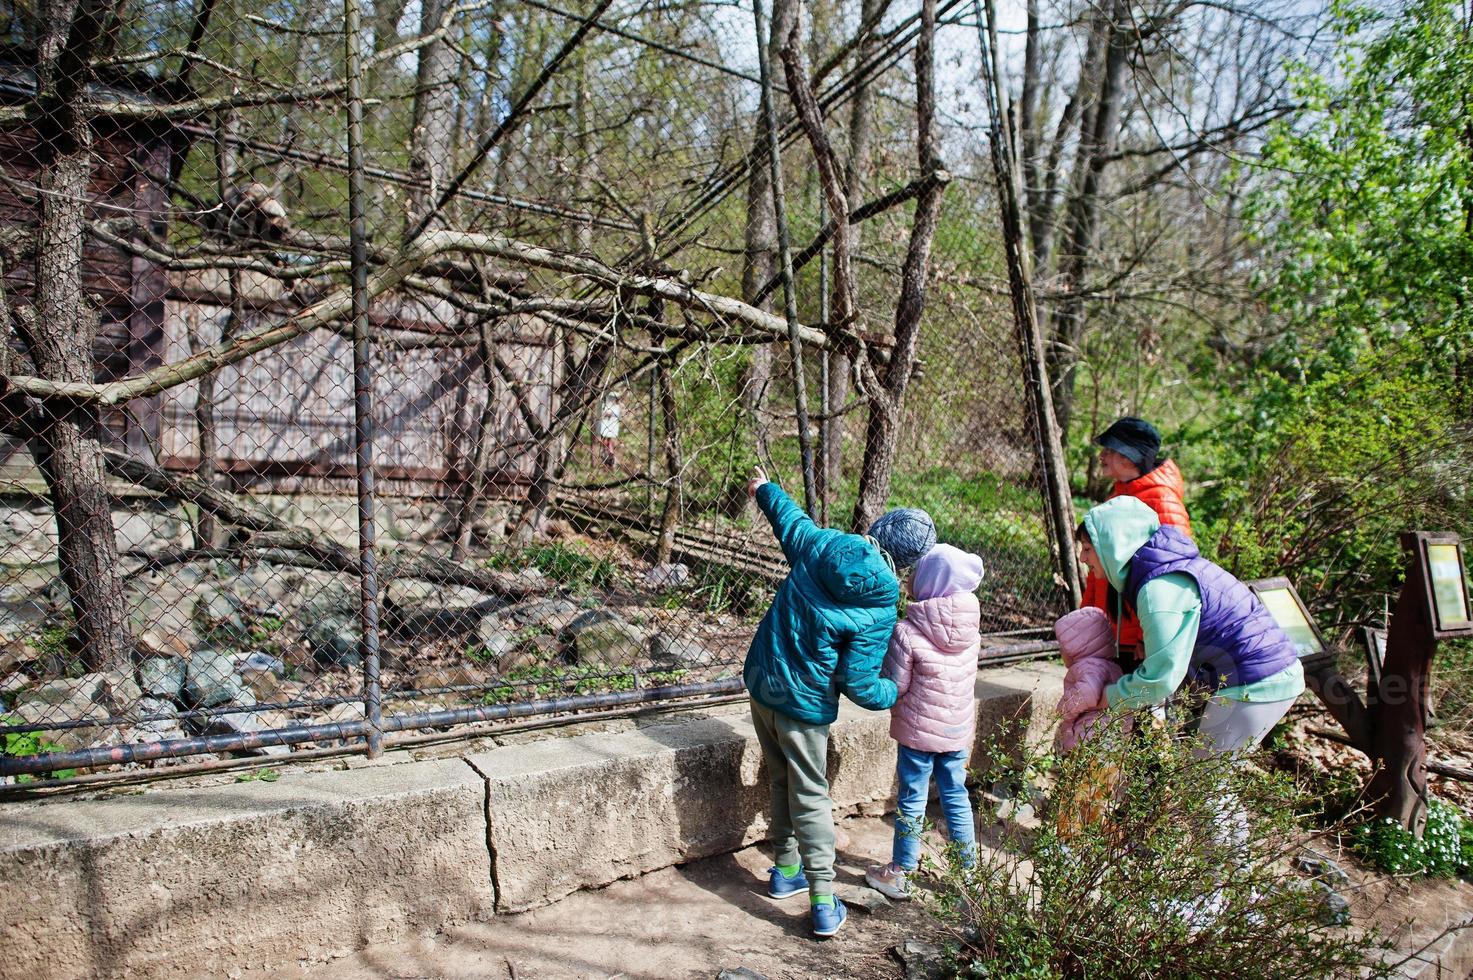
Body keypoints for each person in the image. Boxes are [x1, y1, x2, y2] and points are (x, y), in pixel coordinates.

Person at [743, 469, 935, 938]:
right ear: (909, 564)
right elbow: (860, 684)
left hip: (763, 684)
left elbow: (789, 519)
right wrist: (899, 689)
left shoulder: (822, 544)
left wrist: (765, 488)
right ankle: (824, 900)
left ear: (878, 529)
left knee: (780, 780)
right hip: (804, 706)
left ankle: (786, 870)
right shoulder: (882, 603)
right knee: (810, 795)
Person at [1077, 496, 1304, 757]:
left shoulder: (1157, 589)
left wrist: (1108, 697)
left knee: (1208, 788)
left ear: (1113, 546)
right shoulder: (1162, 569)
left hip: (1257, 680)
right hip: (1262, 673)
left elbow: (1161, 679)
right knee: (1208, 783)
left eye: (1087, 548)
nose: (1083, 558)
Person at [864, 543, 986, 901]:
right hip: (955, 731)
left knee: (913, 797)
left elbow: (897, 684)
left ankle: (901, 871)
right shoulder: (971, 632)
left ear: (928, 582)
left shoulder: (907, 631)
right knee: (956, 796)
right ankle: (969, 873)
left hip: (918, 734)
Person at [1081, 417, 1192, 668]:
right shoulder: (1120, 492)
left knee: (1137, 705)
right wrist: (1088, 614)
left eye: (1109, 450)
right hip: (1115, 631)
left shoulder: (1162, 501)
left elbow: (1171, 574)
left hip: (1139, 640)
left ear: (1128, 459)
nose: (1101, 456)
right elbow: (1099, 565)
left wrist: (1149, 635)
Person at [1052, 606, 1122, 753]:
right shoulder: (1112, 667)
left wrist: (1064, 709)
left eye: (1062, 647)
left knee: (1090, 774)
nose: (1061, 652)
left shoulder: (1088, 667)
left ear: (1075, 648)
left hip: (1091, 736)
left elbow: (1088, 691)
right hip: (1113, 736)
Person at [596, 391, 622, 466]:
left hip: (611, 426)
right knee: (605, 441)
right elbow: (600, 413)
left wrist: (610, 413)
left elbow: (617, 414)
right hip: (605, 426)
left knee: (609, 441)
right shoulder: (602, 405)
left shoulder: (616, 406)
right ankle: (607, 454)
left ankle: (609, 454)